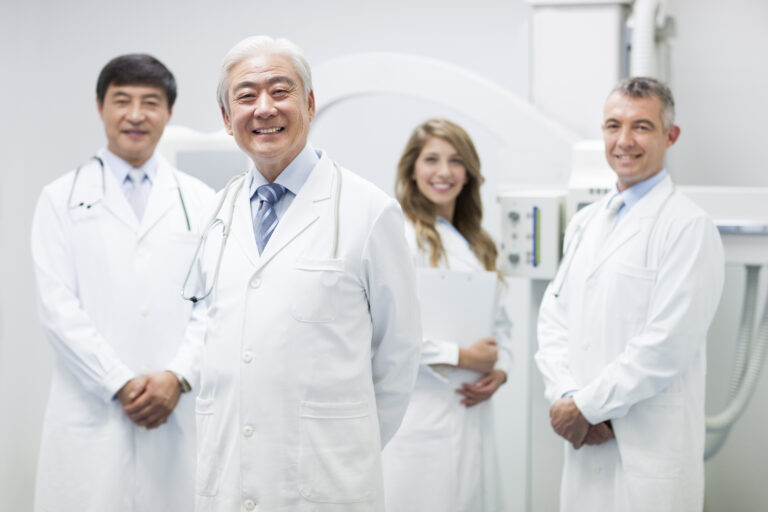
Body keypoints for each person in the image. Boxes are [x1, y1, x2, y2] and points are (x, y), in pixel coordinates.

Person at [190, 35, 421, 512]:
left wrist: (344, 444)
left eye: (281, 90)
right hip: (229, 475)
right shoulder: (218, 212)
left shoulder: (368, 211)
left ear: (310, 103)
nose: (264, 108)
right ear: (226, 118)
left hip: (327, 482)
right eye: (246, 95)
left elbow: (397, 356)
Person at [30, 54, 214, 512]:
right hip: (93, 411)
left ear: (169, 112)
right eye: (122, 101)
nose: (136, 115)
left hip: (177, 410)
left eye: (150, 102)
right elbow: (57, 309)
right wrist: (119, 382)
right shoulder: (59, 199)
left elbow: (214, 303)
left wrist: (178, 376)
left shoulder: (201, 200)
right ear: (100, 107)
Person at [535, 77, 725, 511]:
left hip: (648, 454)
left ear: (669, 136)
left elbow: (666, 345)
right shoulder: (585, 223)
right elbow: (554, 320)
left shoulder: (687, 227)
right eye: (612, 126)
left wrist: (588, 405)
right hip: (586, 443)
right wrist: (565, 397)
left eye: (641, 126)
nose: (624, 140)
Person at [382, 118, 512, 512]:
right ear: (412, 169)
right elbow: (388, 334)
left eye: (456, 161)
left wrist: (502, 368)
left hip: (470, 410)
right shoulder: (399, 235)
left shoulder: (476, 242)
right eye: (431, 159)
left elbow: (502, 323)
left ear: (469, 173)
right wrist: (463, 357)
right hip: (422, 416)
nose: (443, 172)